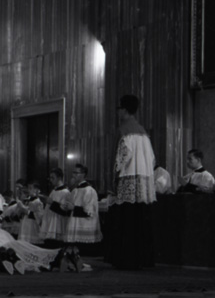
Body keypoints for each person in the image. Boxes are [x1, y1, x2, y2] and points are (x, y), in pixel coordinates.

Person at [108, 95, 156, 270]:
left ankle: (127, 259)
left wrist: (115, 175)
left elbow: (123, 157)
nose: (117, 112)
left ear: (125, 110)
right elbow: (152, 159)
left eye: (119, 109)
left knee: (127, 222)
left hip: (128, 179)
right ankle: (143, 259)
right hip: (144, 182)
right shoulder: (143, 131)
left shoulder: (124, 130)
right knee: (141, 221)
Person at [62, 164, 102, 272]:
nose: (73, 175)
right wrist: (66, 207)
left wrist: (73, 208)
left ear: (83, 174)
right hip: (74, 221)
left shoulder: (89, 190)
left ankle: (79, 263)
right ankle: (73, 263)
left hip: (83, 223)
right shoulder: (75, 190)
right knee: (71, 245)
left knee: (77, 246)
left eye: (76, 173)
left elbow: (89, 211)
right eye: (73, 172)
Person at [39, 168, 70, 248]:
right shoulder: (54, 191)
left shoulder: (65, 192)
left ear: (59, 178)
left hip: (58, 224)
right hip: (50, 222)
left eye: (53, 178)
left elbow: (64, 211)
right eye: (50, 178)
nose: (51, 180)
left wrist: (52, 203)